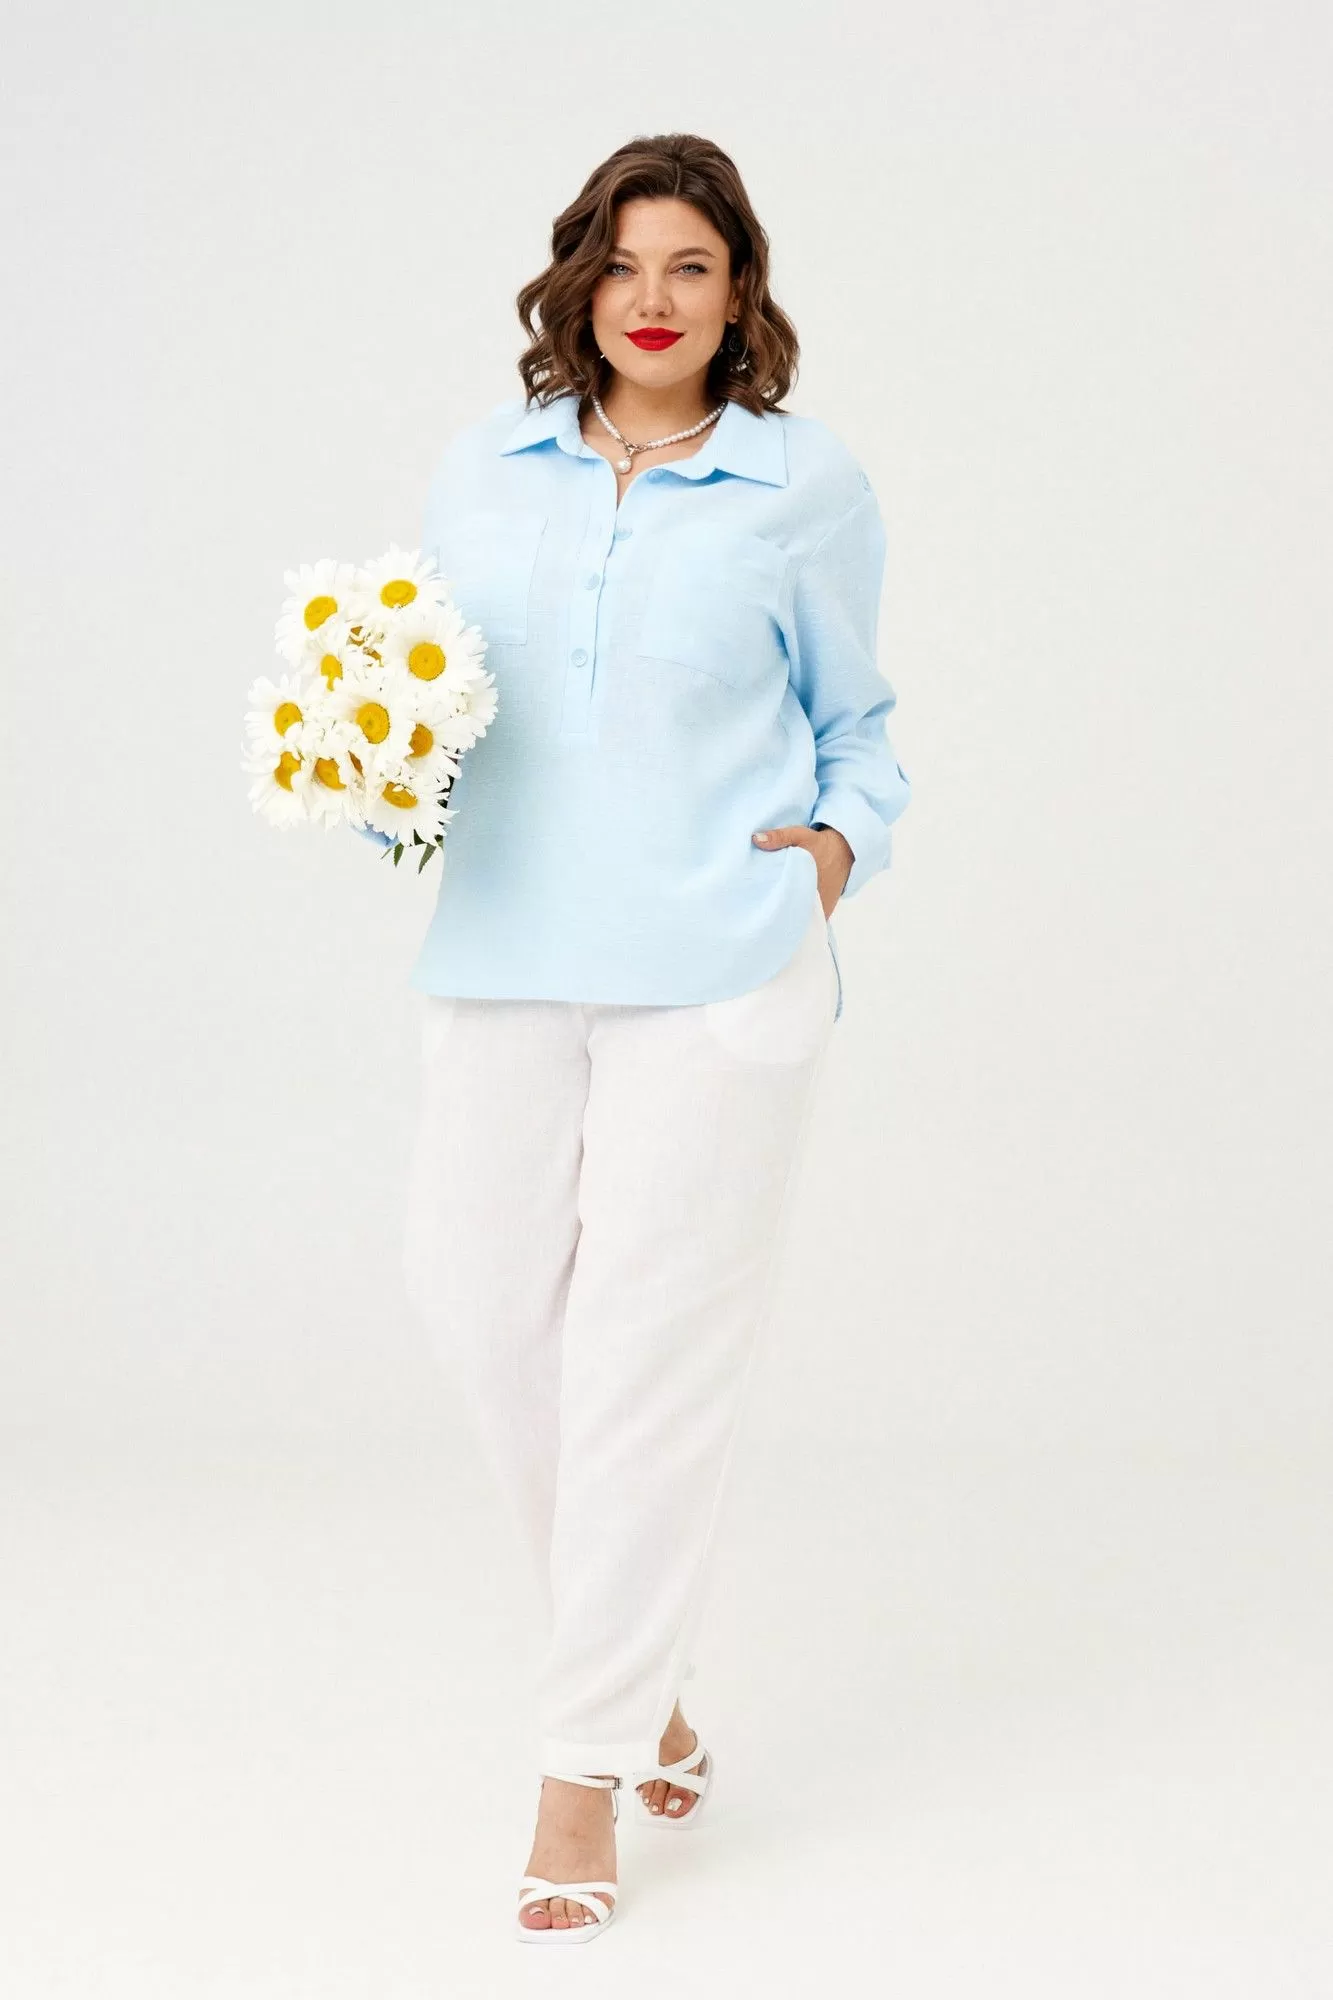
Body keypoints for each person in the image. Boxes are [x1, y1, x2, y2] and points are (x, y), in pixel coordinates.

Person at [370, 132, 911, 1943]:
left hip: (719, 972)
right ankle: (644, 1681)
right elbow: (436, 698)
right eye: (621, 264)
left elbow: (863, 725)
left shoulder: (803, 487)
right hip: (504, 950)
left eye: (690, 265)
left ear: (740, 290)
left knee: (645, 1364)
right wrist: (379, 778)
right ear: (577, 284)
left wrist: (835, 849)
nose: (653, 299)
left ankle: (580, 1767)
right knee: (477, 1308)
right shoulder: (484, 471)